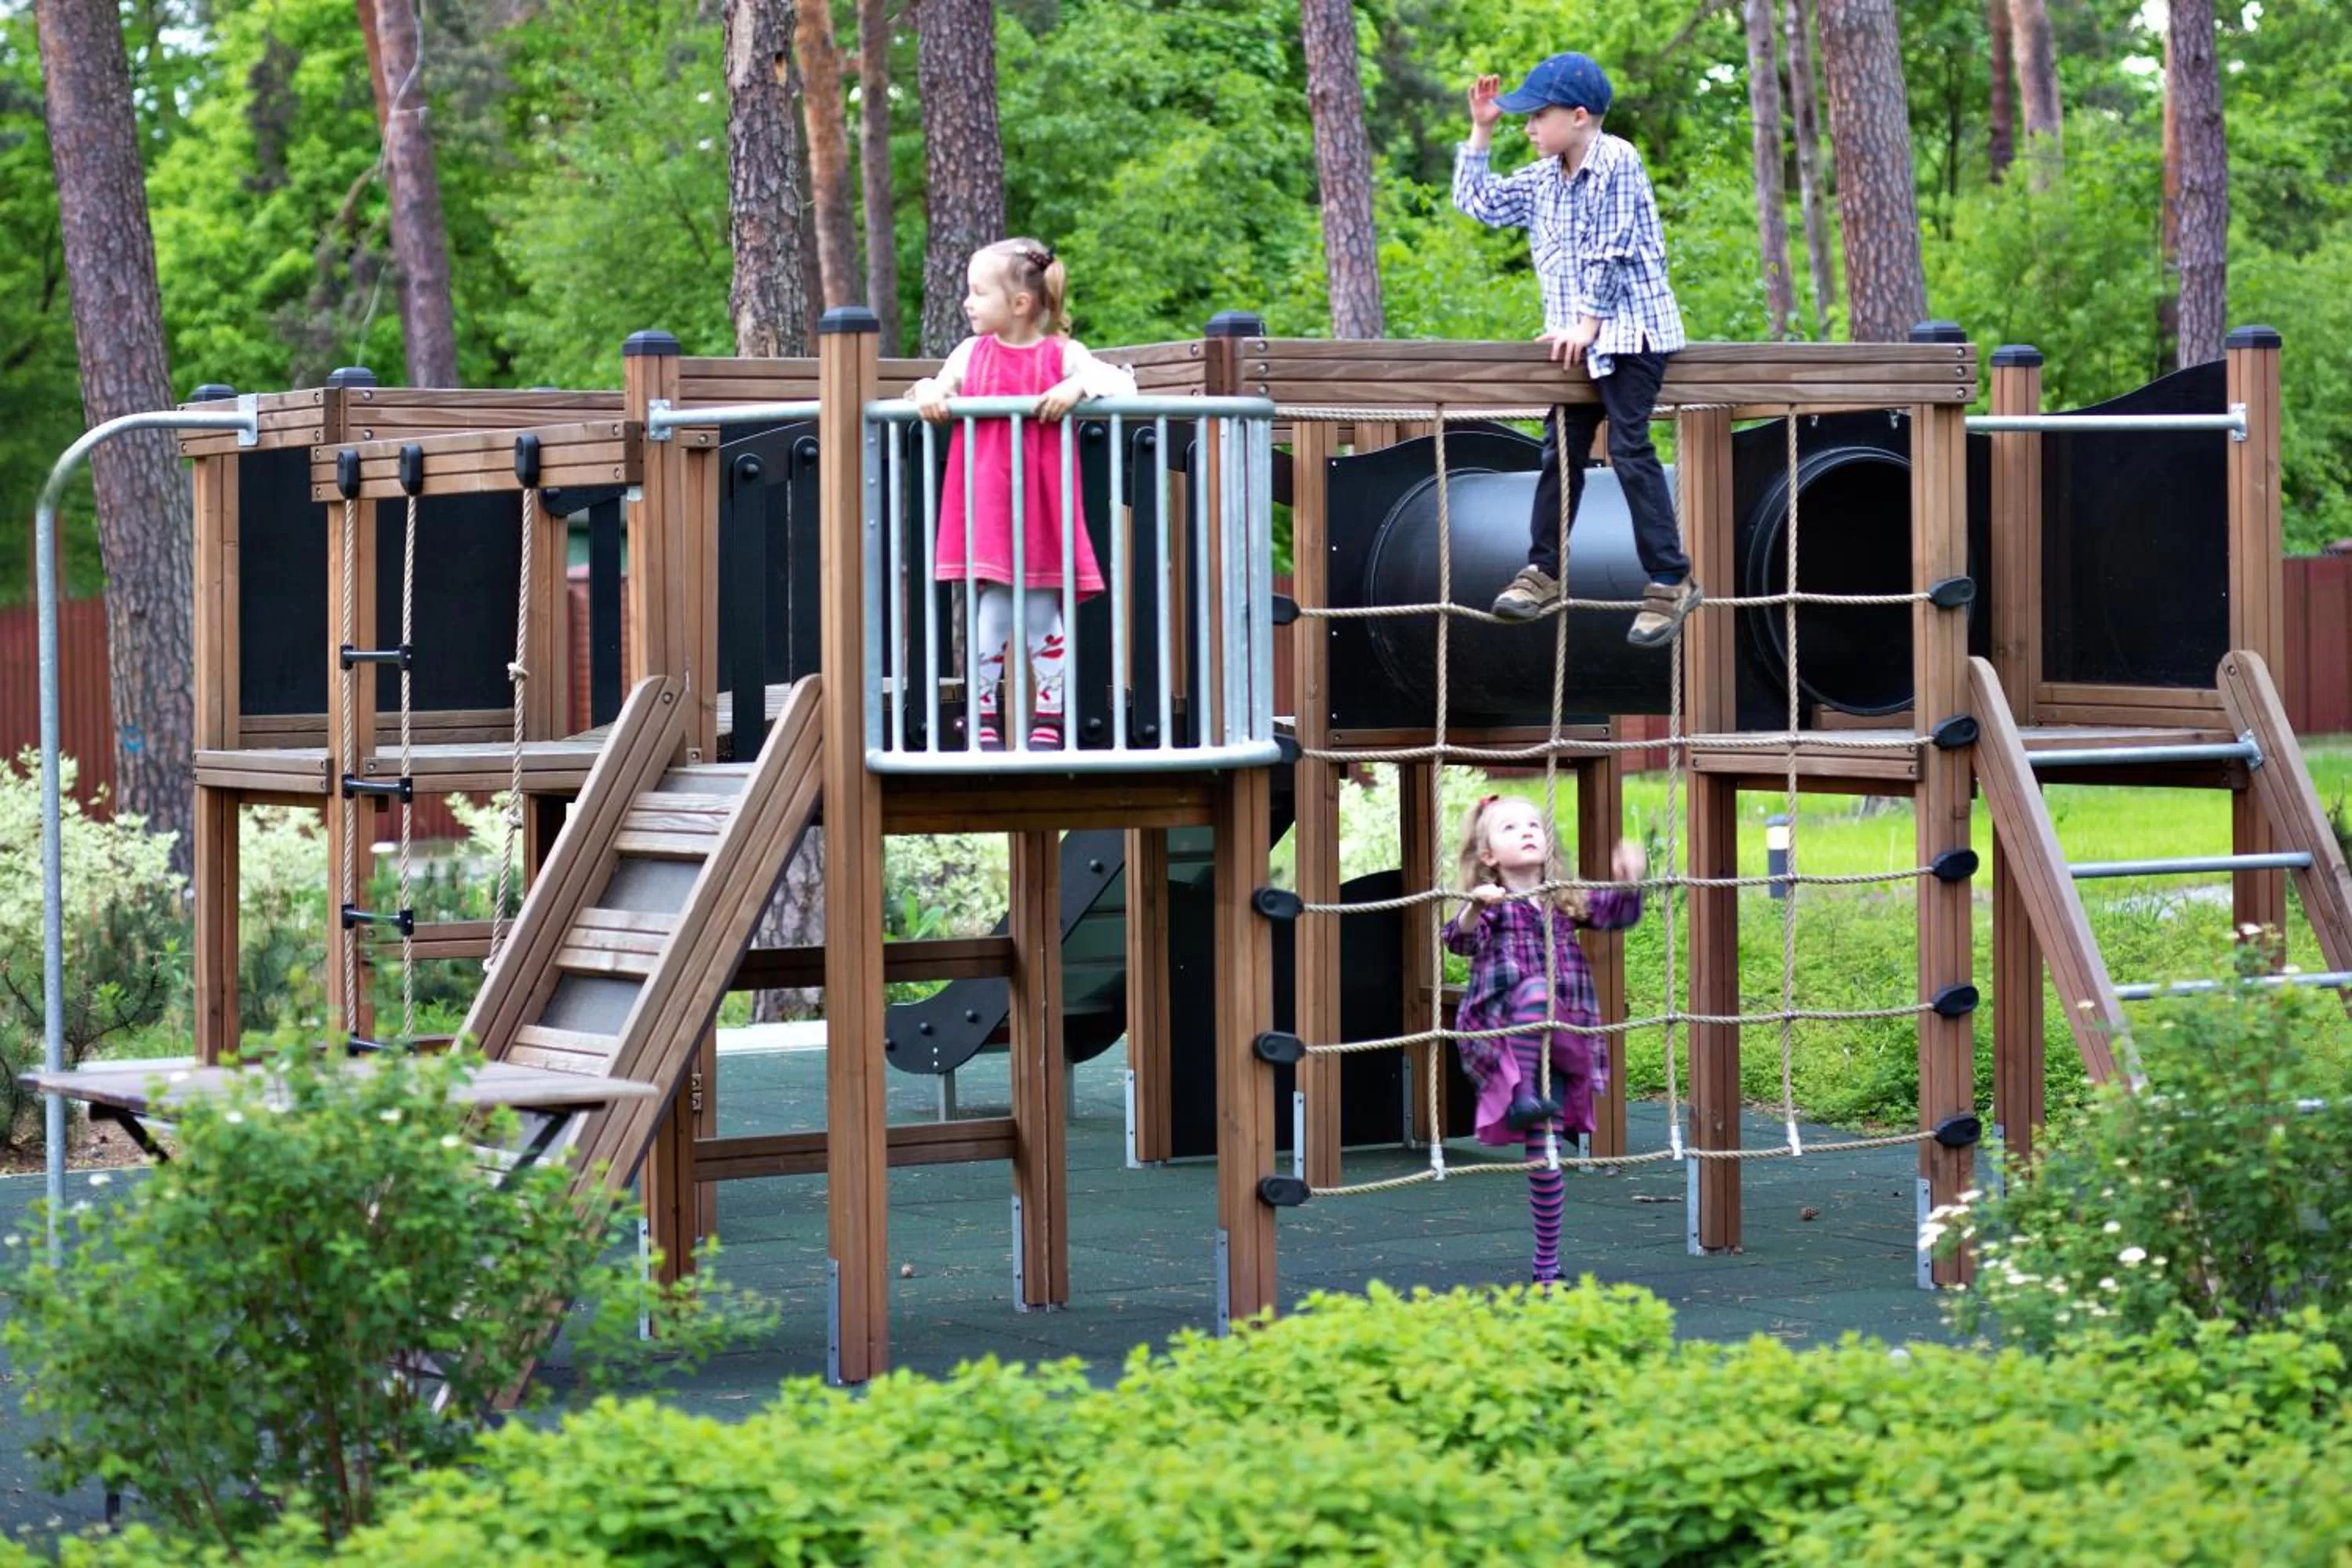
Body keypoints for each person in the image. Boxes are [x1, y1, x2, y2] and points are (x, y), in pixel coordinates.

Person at [1453, 51, 1698, 648]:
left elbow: (1611, 250)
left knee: (1630, 447)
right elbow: (1477, 203)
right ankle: (1544, 572)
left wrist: (1588, 324)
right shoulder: (1543, 179)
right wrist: (1480, 130)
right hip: (1575, 341)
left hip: (1629, 332)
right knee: (1559, 453)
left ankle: (1670, 579)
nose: (1530, 127)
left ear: (1580, 116)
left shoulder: (1618, 159)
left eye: (1539, 115)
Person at [911, 238, 1137, 750]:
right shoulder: (972, 353)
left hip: (1039, 506)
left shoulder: (1061, 355)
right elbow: (938, 385)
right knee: (992, 608)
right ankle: (983, 714)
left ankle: (1049, 717)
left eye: (977, 292)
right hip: (986, 504)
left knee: (1038, 610)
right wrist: (927, 391)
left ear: (1020, 304)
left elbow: (1122, 387)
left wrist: (1077, 389)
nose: (967, 302)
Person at [1444, 793, 1646, 1283]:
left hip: (1561, 1036)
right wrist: (1474, 907)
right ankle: (1527, 1097)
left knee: (1549, 1152)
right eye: (1511, 828)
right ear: (1488, 854)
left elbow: (1617, 916)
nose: (1528, 831)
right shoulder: (1492, 905)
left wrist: (1630, 880)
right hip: (1504, 1035)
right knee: (1535, 991)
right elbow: (1458, 940)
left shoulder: (1562, 899)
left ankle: (1547, 1268)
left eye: (1534, 824)